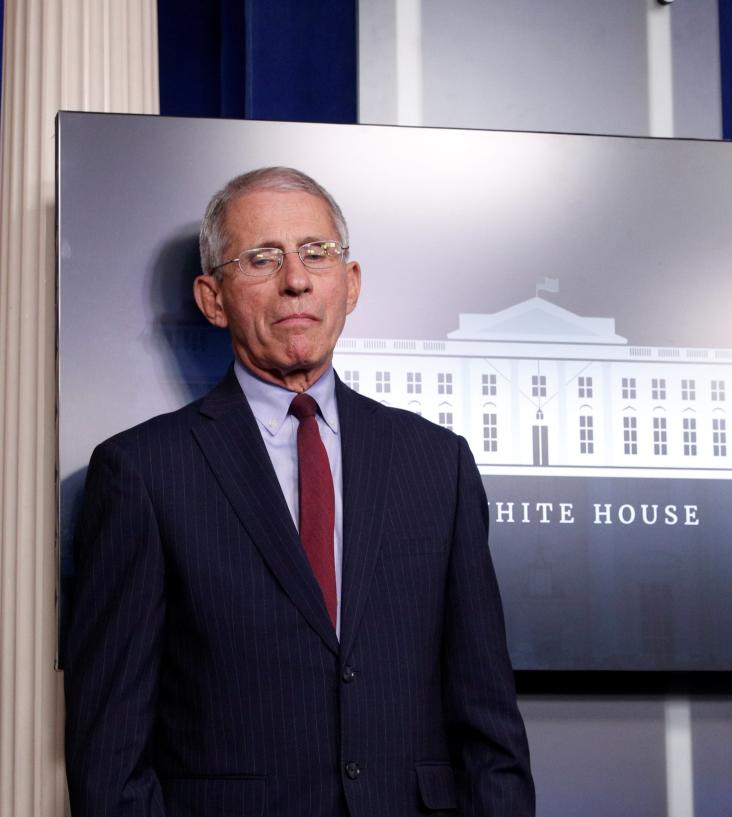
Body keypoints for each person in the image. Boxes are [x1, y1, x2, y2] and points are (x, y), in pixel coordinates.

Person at [64, 167, 536, 816]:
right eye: (262, 258)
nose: (296, 279)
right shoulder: (141, 474)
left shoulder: (437, 464)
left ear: (352, 282)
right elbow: (110, 757)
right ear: (212, 297)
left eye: (317, 253)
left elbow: (491, 730)